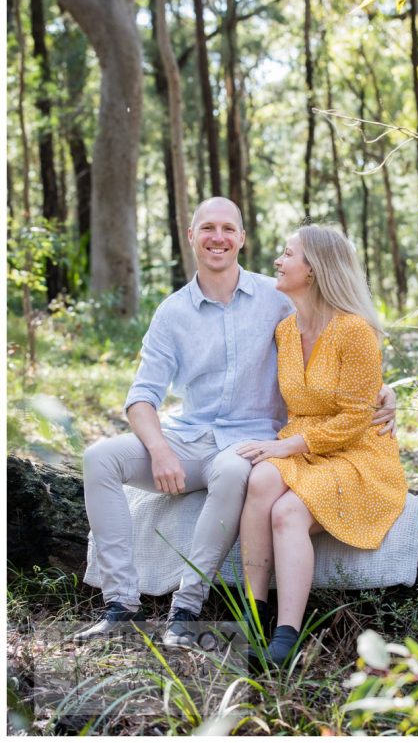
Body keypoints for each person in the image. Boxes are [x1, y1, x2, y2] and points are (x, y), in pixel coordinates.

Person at [74, 198, 395, 647]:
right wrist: (161, 450)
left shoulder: (278, 297)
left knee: (231, 469)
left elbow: (338, 337)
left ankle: (185, 610)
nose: (218, 237)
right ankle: (120, 606)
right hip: (188, 438)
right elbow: (141, 396)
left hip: (249, 441)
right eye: (207, 227)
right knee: (99, 458)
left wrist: (384, 390)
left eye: (228, 228)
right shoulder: (173, 313)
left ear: (242, 238)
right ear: (191, 236)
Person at [235, 225, 408, 666]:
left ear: (312, 269)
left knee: (287, 510)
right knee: (261, 480)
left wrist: (291, 445)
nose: (278, 260)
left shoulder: (355, 331)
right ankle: (252, 614)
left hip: (357, 452)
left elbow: (353, 419)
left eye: (287, 253)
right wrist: (287, 447)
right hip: (304, 444)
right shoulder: (286, 330)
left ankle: (286, 635)